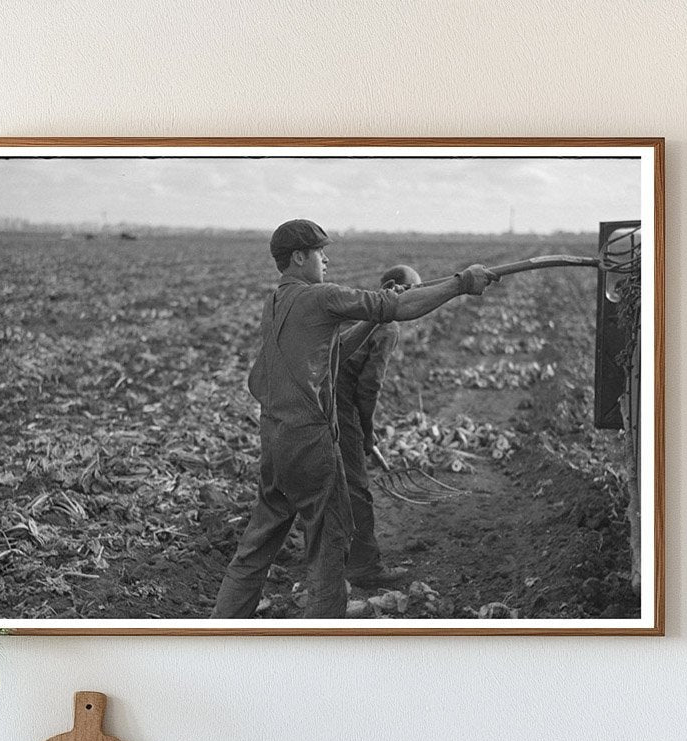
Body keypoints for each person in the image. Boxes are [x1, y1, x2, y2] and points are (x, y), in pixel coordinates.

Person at [212, 219, 496, 619]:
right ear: (298, 257)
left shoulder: (276, 302)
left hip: (274, 440)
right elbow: (397, 307)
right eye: (319, 253)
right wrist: (462, 283)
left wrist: (371, 319)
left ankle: (221, 630)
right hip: (309, 443)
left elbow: (334, 354)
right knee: (330, 543)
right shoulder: (319, 297)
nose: (326, 260)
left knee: (255, 548)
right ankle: (324, 645)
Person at [336, 265, 422, 588]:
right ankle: (364, 566)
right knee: (357, 483)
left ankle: (331, 553)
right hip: (340, 396)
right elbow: (368, 388)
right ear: (392, 289)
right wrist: (367, 434)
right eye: (414, 290)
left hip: (314, 391)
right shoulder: (387, 328)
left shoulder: (358, 311)